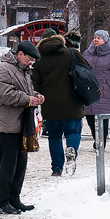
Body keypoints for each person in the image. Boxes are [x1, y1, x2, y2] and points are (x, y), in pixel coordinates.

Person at [0, 41, 43, 214]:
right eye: (29, 59)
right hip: (8, 125)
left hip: (22, 124)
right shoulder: (3, 69)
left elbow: (25, 90)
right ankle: (2, 202)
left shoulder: (24, 71)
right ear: (20, 54)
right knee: (8, 166)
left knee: (21, 164)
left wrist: (35, 95)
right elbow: (5, 95)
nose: (30, 63)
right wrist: (29, 99)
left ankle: (15, 199)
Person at [31, 29, 87, 176]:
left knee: (54, 137)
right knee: (73, 132)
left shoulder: (39, 58)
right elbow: (87, 70)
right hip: (72, 103)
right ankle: (72, 150)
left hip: (50, 105)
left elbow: (34, 84)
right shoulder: (71, 53)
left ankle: (57, 168)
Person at [83, 30, 110, 150]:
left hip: (105, 92)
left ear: (106, 41)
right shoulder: (87, 53)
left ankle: (101, 141)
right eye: (95, 37)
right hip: (89, 91)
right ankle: (96, 138)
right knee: (90, 117)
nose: (96, 39)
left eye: (99, 38)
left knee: (102, 118)